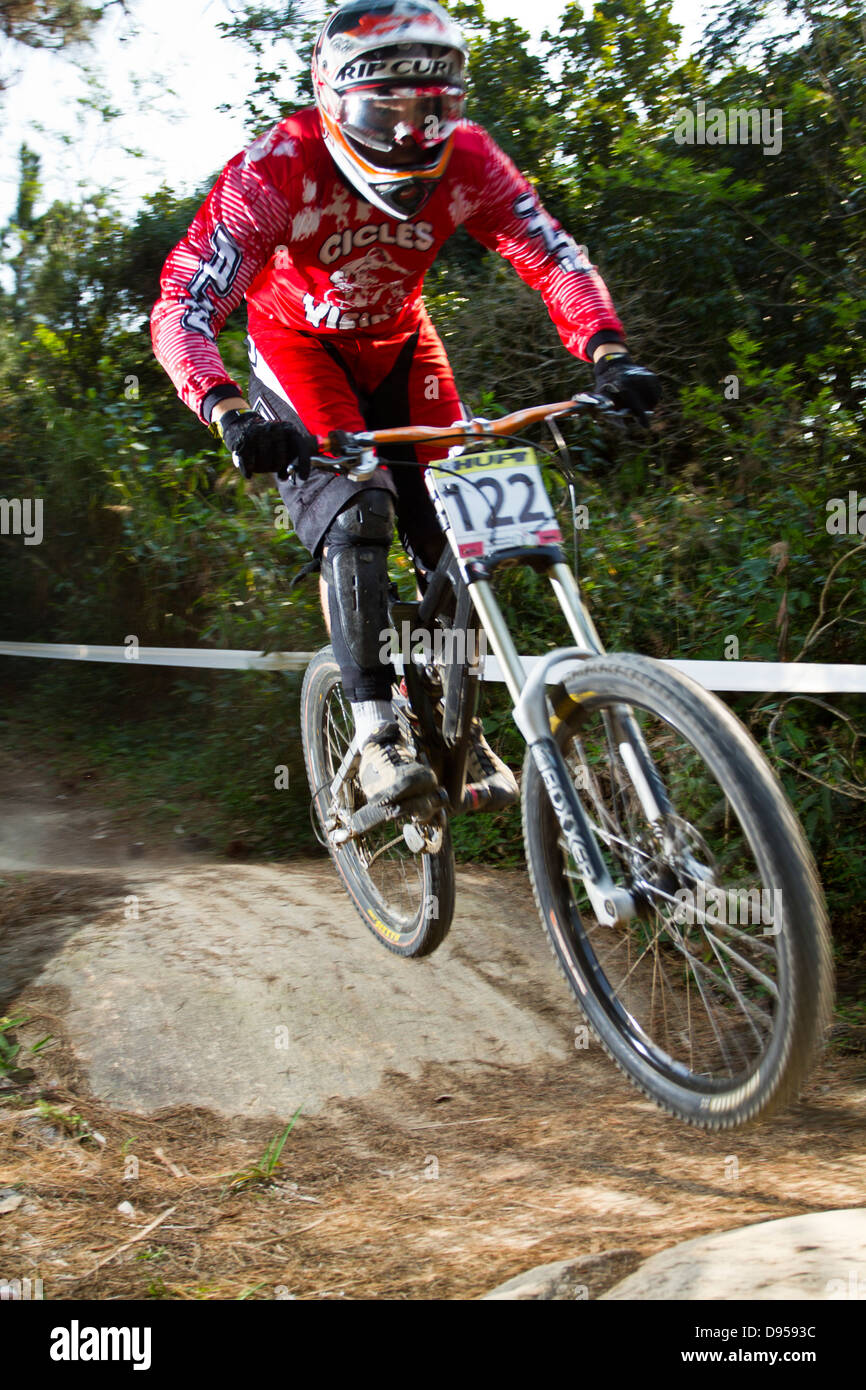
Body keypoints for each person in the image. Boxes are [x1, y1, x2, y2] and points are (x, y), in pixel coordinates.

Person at [151, 0, 660, 806]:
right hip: (300, 348)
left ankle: (464, 721)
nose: (410, 133)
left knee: (464, 535)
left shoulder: (470, 160)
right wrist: (225, 408)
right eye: (381, 108)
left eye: (432, 108)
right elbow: (185, 298)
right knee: (358, 515)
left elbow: (549, 252)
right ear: (330, 98)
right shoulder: (276, 167)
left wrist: (608, 349)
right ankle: (376, 728)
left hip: (402, 344)